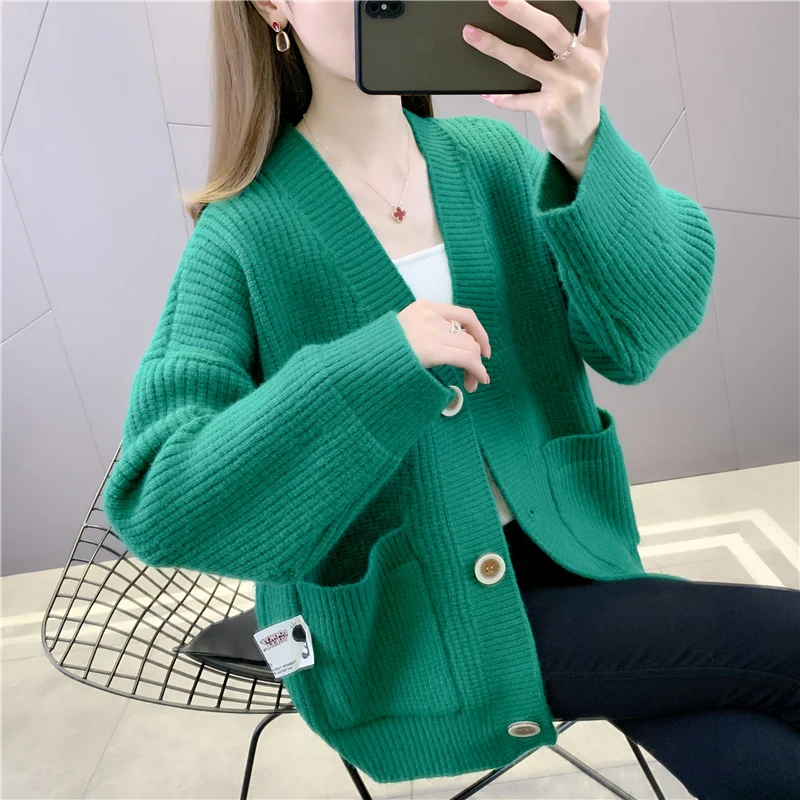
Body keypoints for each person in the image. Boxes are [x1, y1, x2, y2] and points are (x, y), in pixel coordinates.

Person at [104, 1, 800, 797]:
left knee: (757, 750)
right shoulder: (242, 236)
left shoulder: (492, 163)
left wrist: (583, 145)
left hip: (575, 559)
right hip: (415, 632)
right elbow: (159, 498)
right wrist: (377, 366)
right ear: (270, 5)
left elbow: (644, 327)